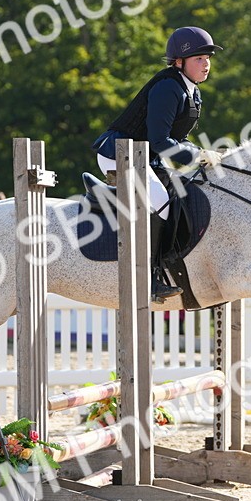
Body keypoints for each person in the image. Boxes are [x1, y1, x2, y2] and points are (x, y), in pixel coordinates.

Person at [91, 26, 225, 302]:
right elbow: (160, 140)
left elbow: (180, 139)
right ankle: (146, 277)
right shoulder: (167, 87)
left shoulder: (192, 91)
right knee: (161, 201)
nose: (206, 64)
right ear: (179, 62)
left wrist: (201, 151)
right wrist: (196, 155)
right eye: (199, 58)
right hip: (118, 152)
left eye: (208, 58)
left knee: (181, 191)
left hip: (142, 155)